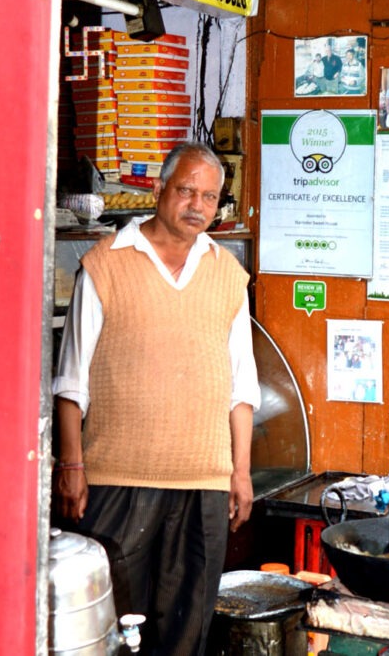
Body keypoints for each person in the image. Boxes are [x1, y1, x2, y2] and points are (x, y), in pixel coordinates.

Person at [53, 142, 260, 655]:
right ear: (159, 188)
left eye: (210, 197)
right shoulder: (105, 265)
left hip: (204, 485)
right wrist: (72, 466)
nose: (197, 206)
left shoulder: (229, 276)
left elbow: (242, 388)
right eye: (186, 190)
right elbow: (70, 382)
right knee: (113, 631)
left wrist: (240, 472)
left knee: (186, 633)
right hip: (117, 481)